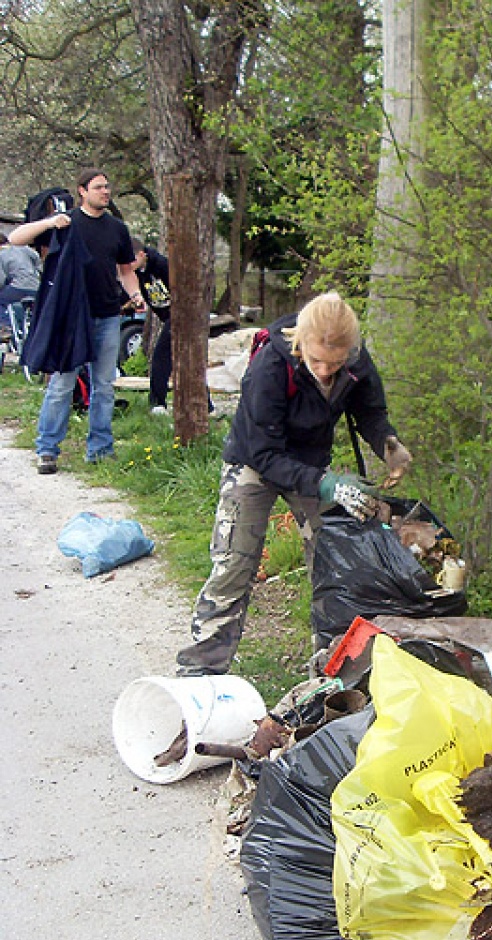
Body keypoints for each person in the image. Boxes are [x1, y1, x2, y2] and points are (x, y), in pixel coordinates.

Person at [175, 291, 414, 676]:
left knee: (334, 563)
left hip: (311, 464)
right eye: (316, 360)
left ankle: (332, 669)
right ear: (300, 341)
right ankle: (202, 669)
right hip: (254, 462)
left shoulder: (355, 359)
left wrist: (387, 442)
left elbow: (370, 410)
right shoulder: (271, 363)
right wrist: (327, 484)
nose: (323, 371)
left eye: (334, 364)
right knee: (233, 562)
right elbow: (263, 453)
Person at [8, 168, 144, 474]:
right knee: (62, 383)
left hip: (108, 314)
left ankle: (99, 450)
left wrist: (136, 295)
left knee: (104, 386)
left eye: (108, 187)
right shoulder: (66, 223)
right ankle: (47, 449)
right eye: (98, 187)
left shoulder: (117, 229)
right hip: (72, 316)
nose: (105, 192)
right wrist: (48, 222)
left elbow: (125, 270)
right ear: (82, 191)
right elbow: (15, 238)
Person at [129, 239, 172, 413]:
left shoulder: (162, 265)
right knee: (180, 360)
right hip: (166, 317)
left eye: (130, 260)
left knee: (161, 356)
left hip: (179, 315)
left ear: (142, 255)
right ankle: (206, 405)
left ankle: (158, 402)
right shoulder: (135, 274)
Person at [0, 239, 41, 349]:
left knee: (2, 300)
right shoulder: (26, 249)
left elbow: (1, 279)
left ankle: (6, 327)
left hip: (18, 287)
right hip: (36, 287)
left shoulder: (2, 254)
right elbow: (38, 263)